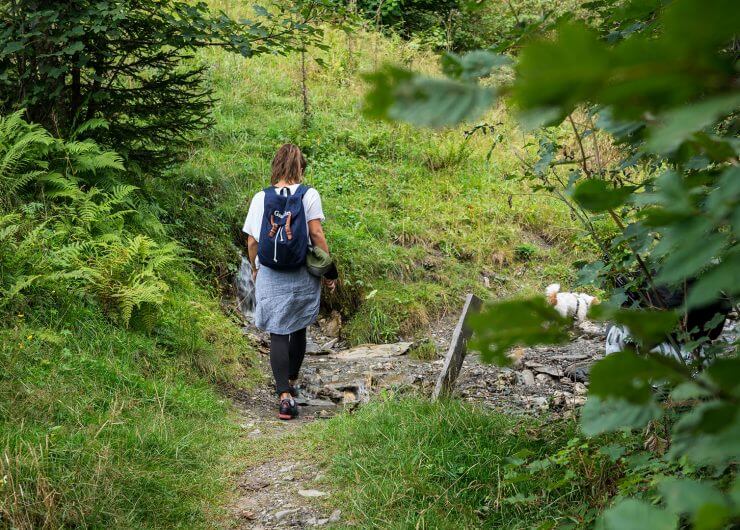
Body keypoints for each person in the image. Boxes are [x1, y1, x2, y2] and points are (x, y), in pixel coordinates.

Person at [243, 144, 337, 420]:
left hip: (271, 271)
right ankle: (293, 381)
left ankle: (283, 396)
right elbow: (316, 235)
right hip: (301, 270)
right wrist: (329, 271)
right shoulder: (309, 195)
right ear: (301, 169)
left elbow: (252, 241)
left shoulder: (261, 197)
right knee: (298, 326)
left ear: (275, 167)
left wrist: (255, 267)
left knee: (278, 331)